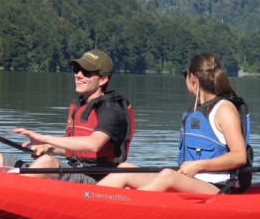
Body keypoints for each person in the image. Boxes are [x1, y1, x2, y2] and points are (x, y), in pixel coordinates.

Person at [97, 53, 250, 194]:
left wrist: (198, 165)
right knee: (125, 169)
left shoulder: (224, 109)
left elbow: (239, 156)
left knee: (168, 176)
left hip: (218, 187)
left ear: (192, 79)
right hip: (190, 182)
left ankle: (125, 208)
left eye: (185, 75)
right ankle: (87, 199)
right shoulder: (197, 109)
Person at [0, 49, 134, 183]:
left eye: (86, 72)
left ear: (103, 80)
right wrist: (48, 147)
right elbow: (75, 149)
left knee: (47, 163)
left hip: (96, 180)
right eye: (77, 69)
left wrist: (45, 138)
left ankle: (4, 199)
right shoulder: (80, 105)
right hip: (73, 170)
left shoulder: (111, 110)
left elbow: (93, 145)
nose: (78, 75)